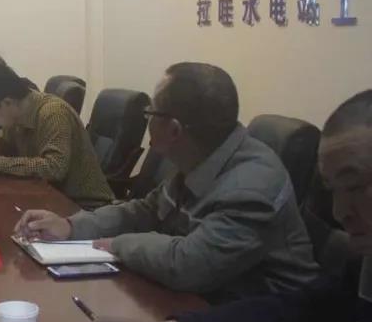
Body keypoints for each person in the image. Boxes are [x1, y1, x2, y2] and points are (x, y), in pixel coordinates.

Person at [72, 89, 372, 322]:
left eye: (355, 186)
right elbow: (299, 312)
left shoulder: (253, 180)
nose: (341, 211)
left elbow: (189, 266)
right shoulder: (364, 262)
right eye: (332, 191)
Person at [16, 62, 319, 301]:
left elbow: (187, 265)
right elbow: (147, 210)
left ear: (174, 130)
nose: (147, 120)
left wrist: (115, 245)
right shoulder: (204, 154)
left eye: (150, 113)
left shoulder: (251, 187)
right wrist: (71, 226)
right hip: (205, 301)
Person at [0, 62, 114, 209]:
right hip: (48, 197)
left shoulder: (53, 113)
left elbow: (54, 168)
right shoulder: (18, 114)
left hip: (84, 207)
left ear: (7, 102)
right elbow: (1, 142)